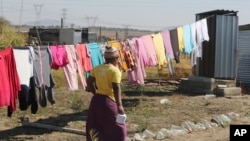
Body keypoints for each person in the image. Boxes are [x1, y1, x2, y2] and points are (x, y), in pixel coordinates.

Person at [86, 46, 127, 141]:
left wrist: (95, 93)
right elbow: (116, 87)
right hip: (109, 101)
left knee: (96, 125)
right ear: (116, 58)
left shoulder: (97, 68)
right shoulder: (114, 70)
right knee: (119, 127)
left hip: (96, 101)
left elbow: (89, 82)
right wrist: (119, 105)